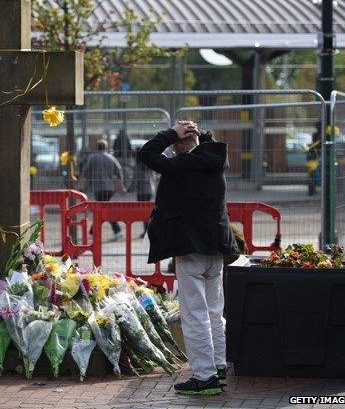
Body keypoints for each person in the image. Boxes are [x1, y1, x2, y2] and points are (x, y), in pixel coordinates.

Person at [137, 121, 237, 396]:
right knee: (215, 312)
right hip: (216, 248)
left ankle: (204, 377)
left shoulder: (183, 166)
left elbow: (146, 154)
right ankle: (217, 367)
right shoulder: (215, 161)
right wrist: (199, 135)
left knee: (194, 315)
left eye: (174, 144)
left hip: (190, 249)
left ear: (180, 144)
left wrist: (170, 134)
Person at [81, 139, 127, 241]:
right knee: (103, 210)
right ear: (106, 147)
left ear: (97, 147)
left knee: (102, 210)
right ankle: (95, 232)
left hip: (98, 187)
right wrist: (121, 187)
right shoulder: (111, 158)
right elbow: (119, 172)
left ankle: (114, 231)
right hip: (110, 188)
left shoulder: (92, 158)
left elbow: (85, 172)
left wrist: (84, 184)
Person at [131, 145, 156, 238]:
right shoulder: (149, 162)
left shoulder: (138, 164)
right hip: (150, 189)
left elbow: (135, 178)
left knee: (143, 211)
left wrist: (131, 188)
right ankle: (149, 229)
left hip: (141, 190)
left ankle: (146, 230)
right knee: (149, 211)